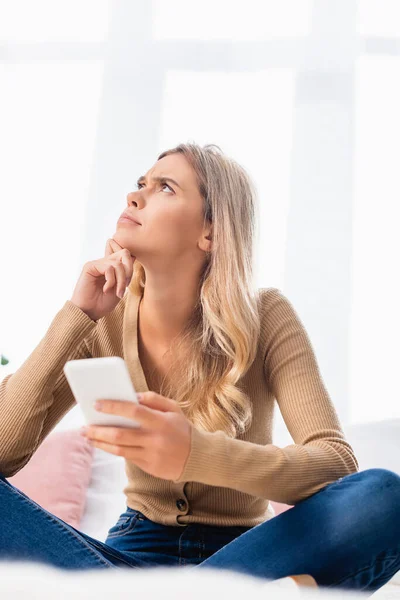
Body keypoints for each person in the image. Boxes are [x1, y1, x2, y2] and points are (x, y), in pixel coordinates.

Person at [0, 143, 399, 595]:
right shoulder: (102, 321)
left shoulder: (267, 315)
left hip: (252, 552)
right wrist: (77, 314)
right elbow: (2, 453)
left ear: (210, 231)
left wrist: (195, 453)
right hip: (132, 553)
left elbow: (336, 464)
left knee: (385, 497)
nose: (135, 197)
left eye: (165, 187)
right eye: (139, 185)